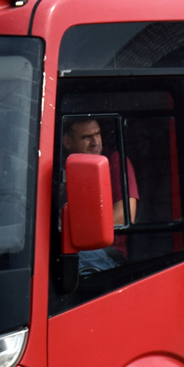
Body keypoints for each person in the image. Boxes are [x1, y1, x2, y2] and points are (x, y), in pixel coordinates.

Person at [62, 116, 138, 273]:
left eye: (97, 134)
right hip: (74, 244)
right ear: (68, 142)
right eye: (86, 137)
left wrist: (76, 231)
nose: (95, 142)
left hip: (106, 251)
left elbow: (124, 216)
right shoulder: (61, 166)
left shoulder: (115, 161)